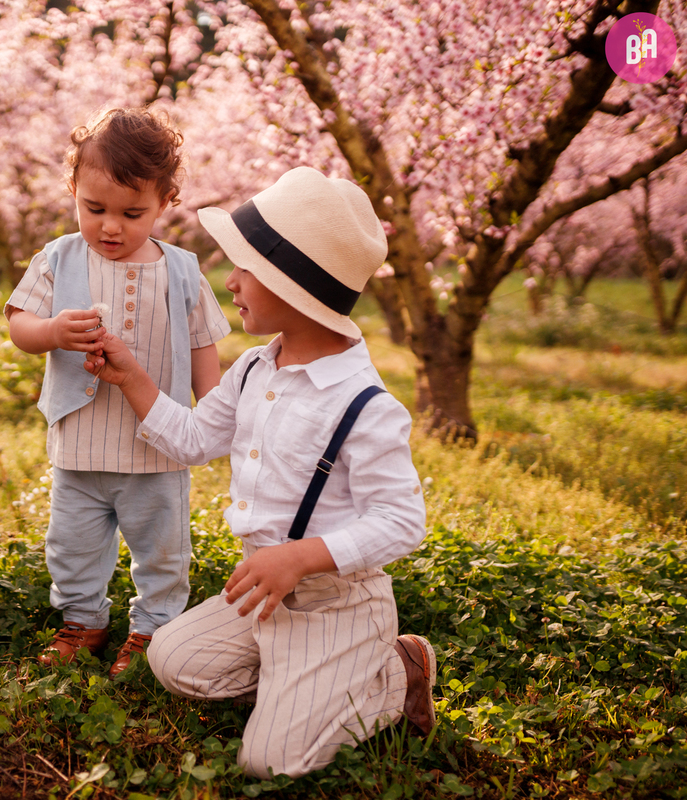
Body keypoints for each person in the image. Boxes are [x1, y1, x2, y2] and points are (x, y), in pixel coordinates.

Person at [84, 167, 436, 776]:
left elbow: (402, 521)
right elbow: (194, 439)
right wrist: (131, 377)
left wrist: (301, 557)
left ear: (290, 284)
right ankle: (301, 685)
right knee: (173, 660)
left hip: (333, 602)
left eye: (245, 268)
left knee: (268, 763)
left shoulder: (366, 406)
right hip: (264, 594)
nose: (230, 280)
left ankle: (391, 671)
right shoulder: (253, 370)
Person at [6, 107, 230, 677]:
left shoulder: (182, 271)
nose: (110, 227)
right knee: (72, 545)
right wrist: (52, 331)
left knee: (162, 550)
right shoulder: (58, 258)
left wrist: (218, 412)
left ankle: (152, 629)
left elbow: (204, 345)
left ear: (166, 201)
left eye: (133, 213)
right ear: (73, 190)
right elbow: (19, 325)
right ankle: (83, 620)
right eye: (94, 208)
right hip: (80, 444)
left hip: (157, 448)